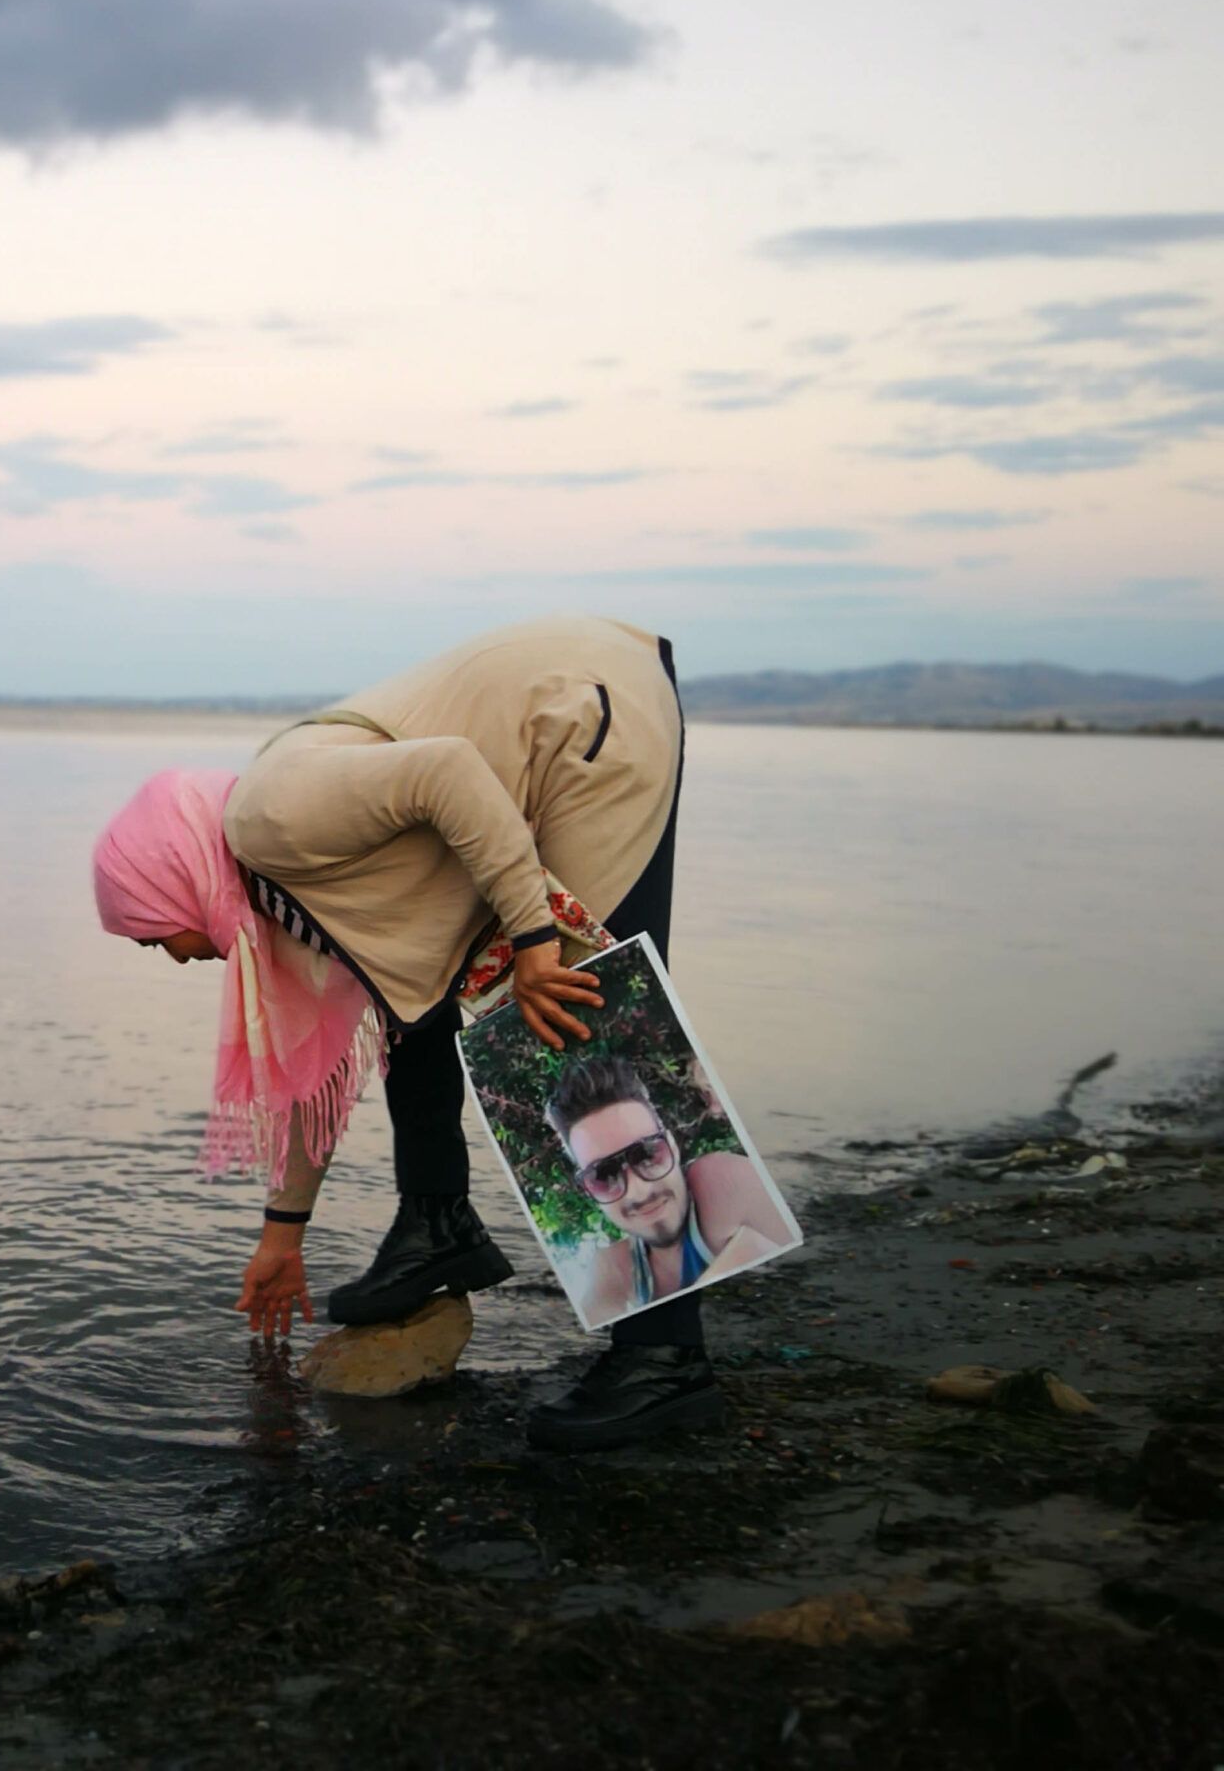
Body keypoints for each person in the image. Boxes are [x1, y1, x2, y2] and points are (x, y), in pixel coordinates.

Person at [92, 613, 719, 1451]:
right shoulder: (283, 891)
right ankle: (438, 1227)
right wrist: (285, 1238)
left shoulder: (267, 819)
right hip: (556, 722)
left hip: (582, 716)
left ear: (172, 880)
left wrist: (532, 940)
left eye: (147, 933)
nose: (165, 957)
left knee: (587, 1015)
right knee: (407, 993)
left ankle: (665, 1361)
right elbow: (334, 1057)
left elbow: (448, 770)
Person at [551, 1057, 795, 1330]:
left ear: (672, 1146)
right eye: (604, 1176)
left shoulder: (721, 1181)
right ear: (587, 1191)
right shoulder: (614, 1269)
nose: (638, 1191)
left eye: (647, 1154)